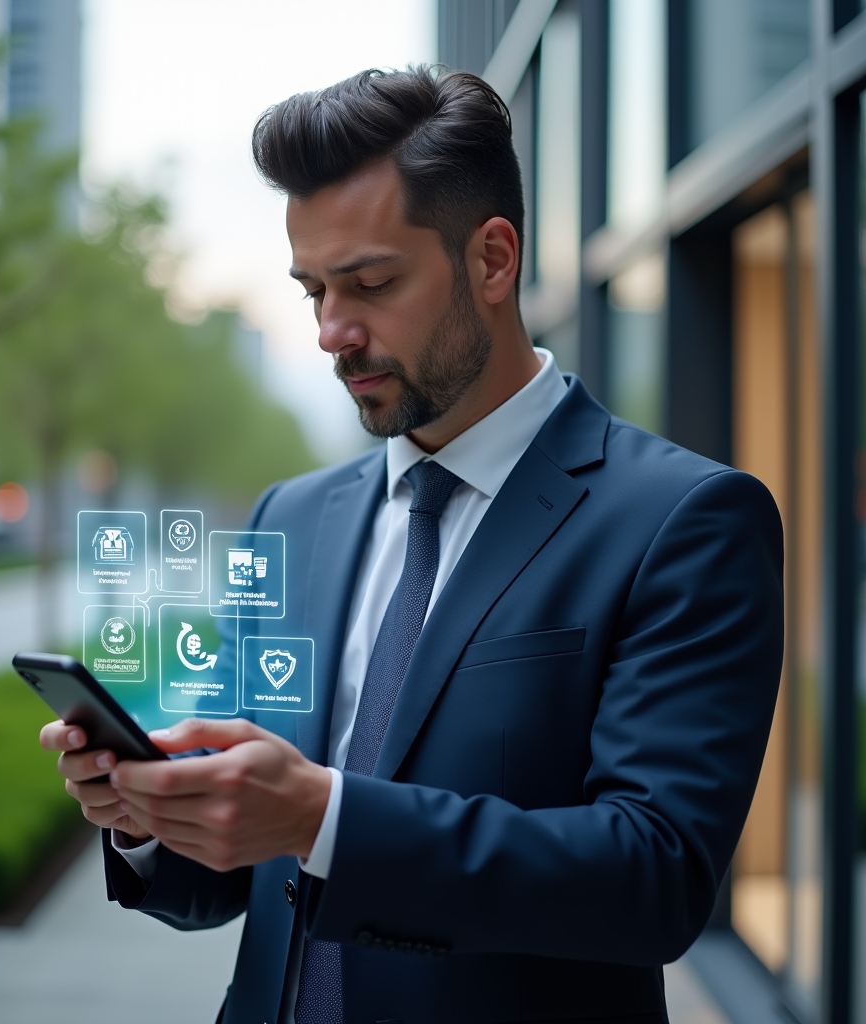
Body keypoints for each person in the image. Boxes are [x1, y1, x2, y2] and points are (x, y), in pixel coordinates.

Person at [41, 66, 783, 1024]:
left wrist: (324, 817)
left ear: (493, 260)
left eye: (371, 283)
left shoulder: (684, 520)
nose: (331, 333)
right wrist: (149, 816)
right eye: (312, 290)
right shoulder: (290, 520)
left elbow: (653, 878)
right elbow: (229, 881)